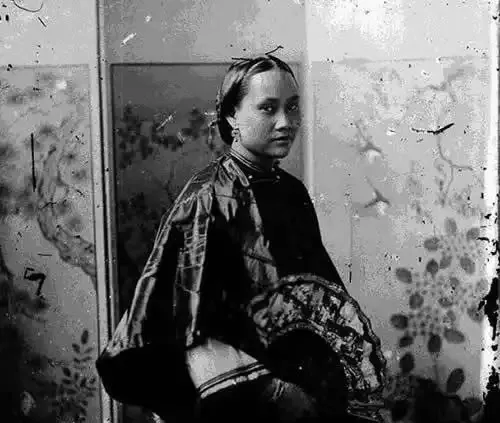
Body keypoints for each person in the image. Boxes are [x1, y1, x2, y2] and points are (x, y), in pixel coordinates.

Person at [96, 54, 385, 422]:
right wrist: (274, 391)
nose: (286, 122)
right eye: (268, 108)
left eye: (292, 107)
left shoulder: (291, 191)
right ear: (232, 115)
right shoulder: (206, 197)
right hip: (234, 389)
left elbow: (315, 299)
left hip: (295, 375)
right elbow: (190, 325)